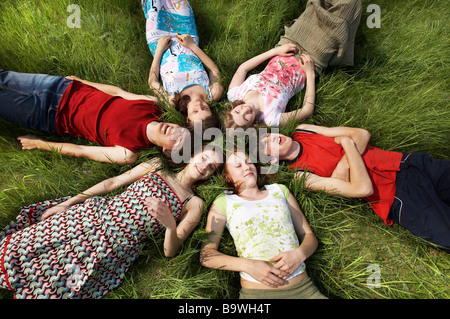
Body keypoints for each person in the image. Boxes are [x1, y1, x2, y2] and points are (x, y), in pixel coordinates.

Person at [0, 146, 222, 299]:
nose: (204, 166)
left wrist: (169, 225)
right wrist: (68, 203)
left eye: (211, 167)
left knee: (58, 282)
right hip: (92, 215)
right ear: (194, 154)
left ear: (209, 176)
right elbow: (112, 183)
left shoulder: (194, 203)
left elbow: (170, 251)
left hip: (114, 246)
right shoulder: (157, 165)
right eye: (204, 158)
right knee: (26, 246)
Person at [259, 124, 450, 251]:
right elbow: (361, 189)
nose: (272, 138)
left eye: (268, 134)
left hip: (406, 163)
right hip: (396, 197)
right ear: (273, 160)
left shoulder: (304, 130)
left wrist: (343, 168)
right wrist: (348, 146)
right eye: (266, 144)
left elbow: (361, 133)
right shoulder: (301, 175)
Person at [200, 149, 327, 299]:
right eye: (238, 166)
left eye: (248, 162)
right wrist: (248, 265)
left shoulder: (279, 191)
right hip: (257, 295)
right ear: (228, 177)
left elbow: (309, 236)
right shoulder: (224, 202)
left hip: (303, 290)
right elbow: (207, 255)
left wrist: (299, 255)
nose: (247, 167)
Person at [0, 70, 190, 164]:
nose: (175, 130)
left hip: (48, 116)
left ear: (166, 151)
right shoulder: (153, 106)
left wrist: (39, 143)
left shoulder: (129, 152)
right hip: (61, 87)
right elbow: (117, 93)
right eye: (180, 129)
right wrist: (82, 82)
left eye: (178, 139)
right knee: (5, 76)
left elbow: (80, 150)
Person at [224, 0, 362, 129]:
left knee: (315, 7)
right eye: (246, 119)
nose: (244, 111)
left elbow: (243, 68)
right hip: (310, 59)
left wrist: (275, 51)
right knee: (344, 13)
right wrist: (310, 74)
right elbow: (307, 110)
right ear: (252, 125)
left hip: (288, 45)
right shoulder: (271, 118)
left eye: (237, 111)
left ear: (232, 108)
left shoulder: (234, 94)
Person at [142, 0, 223, 130]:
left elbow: (153, 82)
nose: (199, 105)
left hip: (160, 41)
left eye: (195, 111)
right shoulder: (212, 94)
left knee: (153, 5)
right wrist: (192, 46)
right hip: (186, 36)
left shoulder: (173, 101)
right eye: (205, 109)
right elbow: (213, 70)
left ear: (187, 118)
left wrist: (159, 50)